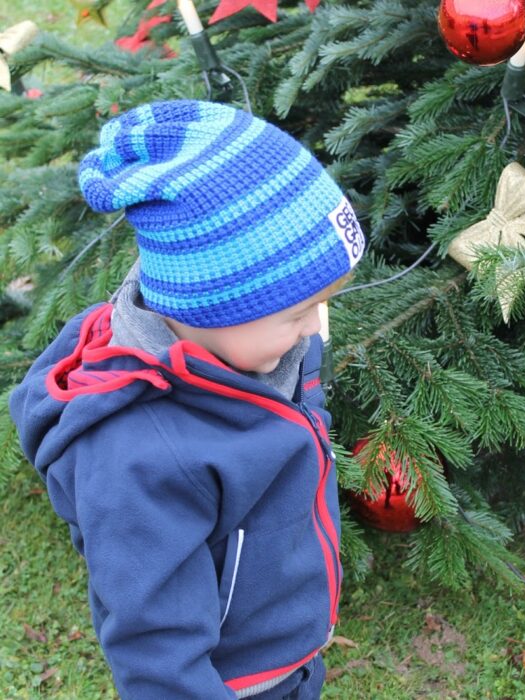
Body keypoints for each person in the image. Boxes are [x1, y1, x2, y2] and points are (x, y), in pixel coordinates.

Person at [10, 99, 365, 700]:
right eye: (300, 312)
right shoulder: (141, 458)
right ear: (211, 305)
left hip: (290, 654)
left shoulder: (261, 351)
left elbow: (301, 410)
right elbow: (154, 647)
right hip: (238, 682)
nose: (314, 330)